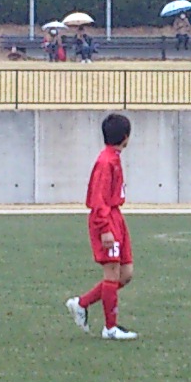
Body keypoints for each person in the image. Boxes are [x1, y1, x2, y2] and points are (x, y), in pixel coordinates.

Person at [66, 113, 138, 340]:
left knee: (125, 274)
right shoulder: (105, 162)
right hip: (106, 220)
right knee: (112, 272)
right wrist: (104, 227)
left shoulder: (113, 158)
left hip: (116, 217)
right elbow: (98, 199)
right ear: (126, 136)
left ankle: (82, 303)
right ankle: (110, 328)